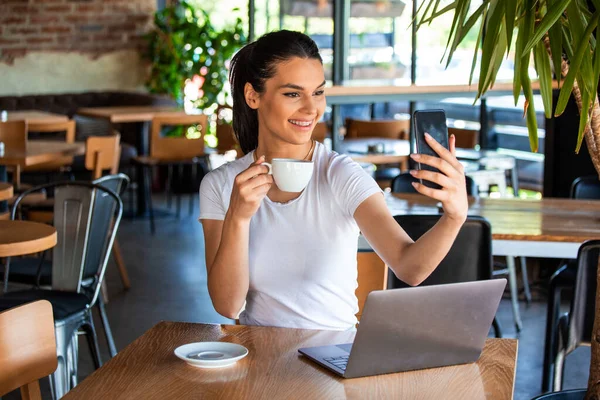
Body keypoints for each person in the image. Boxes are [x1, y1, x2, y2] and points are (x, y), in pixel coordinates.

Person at [199, 30, 468, 331]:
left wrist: (454, 217)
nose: (311, 109)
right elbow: (228, 306)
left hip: (332, 360)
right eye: (292, 94)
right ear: (253, 96)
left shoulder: (340, 175)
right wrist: (238, 217)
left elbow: (410, 267)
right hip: (261, 360)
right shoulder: (221, 185)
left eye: (318, 92)